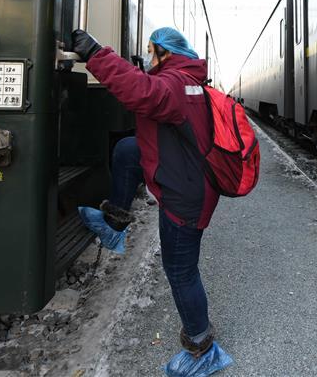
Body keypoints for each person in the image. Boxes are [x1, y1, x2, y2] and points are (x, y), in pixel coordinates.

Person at [71, 26, 232, 374]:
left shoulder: (176, 85)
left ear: (165, 53)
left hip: (185, 196)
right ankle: (114, 227)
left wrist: (97, 55)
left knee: (180, 271)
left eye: (150, 51)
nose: (146, 57)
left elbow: (143, 93)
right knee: (129, 149)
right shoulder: (185, 78)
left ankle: (203, 349)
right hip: (186, 178)